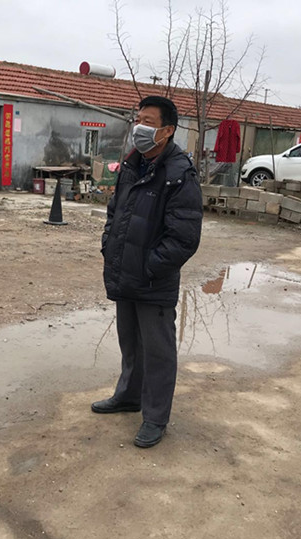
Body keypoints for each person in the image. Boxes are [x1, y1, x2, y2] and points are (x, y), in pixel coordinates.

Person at [93, 96, 203, 448]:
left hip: (153, 280)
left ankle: (155, 417)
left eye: (148, 122)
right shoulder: (132, 164)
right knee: (130, 343)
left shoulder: (179, 174)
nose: (139, 127)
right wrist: (110, 246)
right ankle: (128, 396)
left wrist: (149, 266)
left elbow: (184, 238)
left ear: (167, 131)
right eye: (138, 119)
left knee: (157, 352)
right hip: (125, 272)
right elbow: (115, 212)